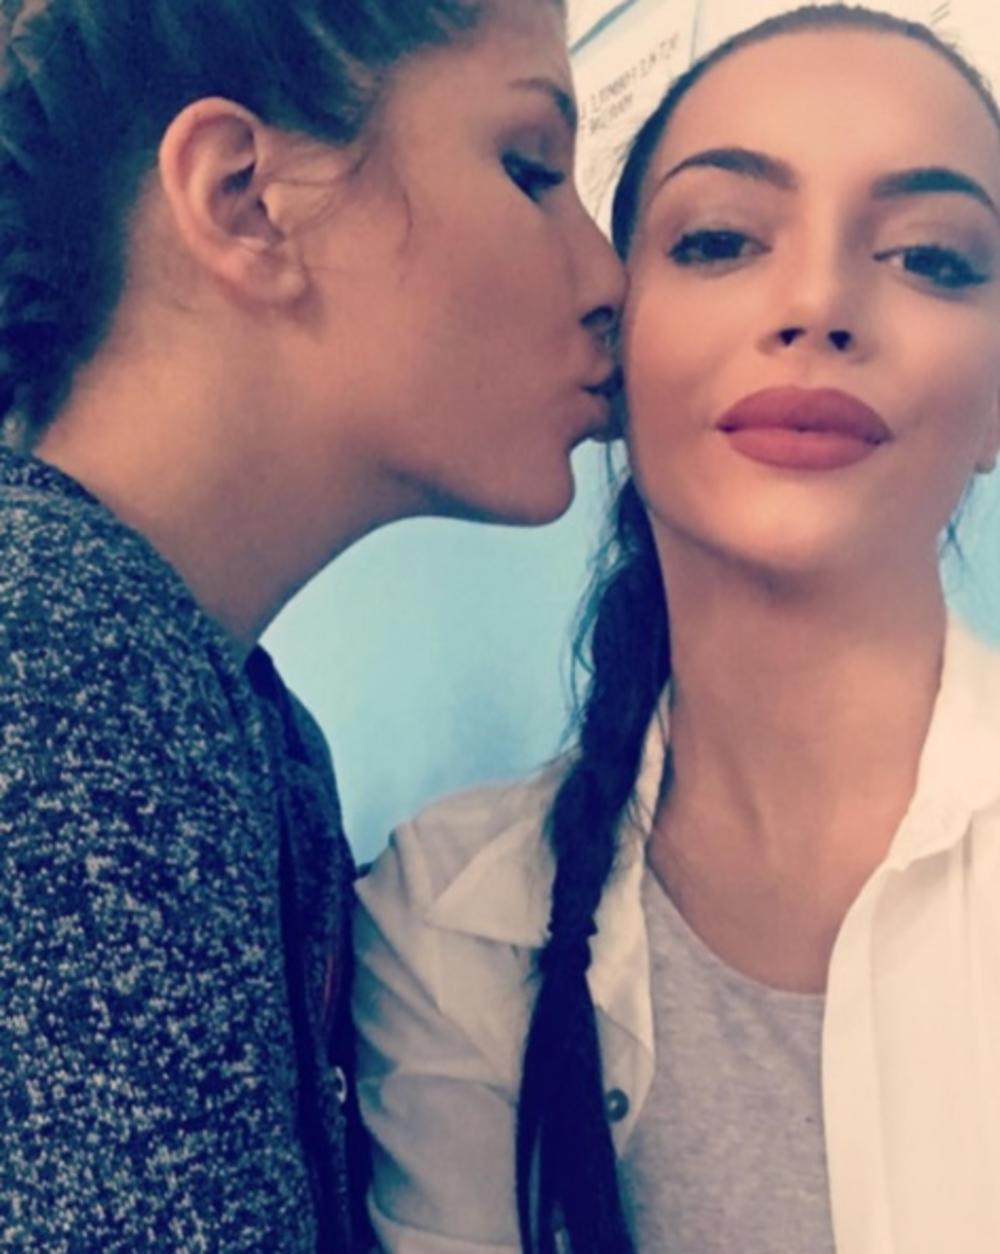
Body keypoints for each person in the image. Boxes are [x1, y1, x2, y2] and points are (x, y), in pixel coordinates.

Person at [353, 4, 1000, 1251]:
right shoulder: (450, 917)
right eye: (718, 240)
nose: (818, 303)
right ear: (614, 347)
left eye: (930, 257)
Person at [0, 0, 624, 1247]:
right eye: (528, 169)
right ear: (247, 200)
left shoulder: (257, 731)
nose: (608, 280)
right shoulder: (58, 660)